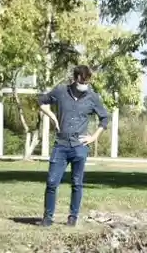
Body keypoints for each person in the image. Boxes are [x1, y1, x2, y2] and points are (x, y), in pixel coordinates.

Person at [37, 65, 110, 227]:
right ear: (75, 78)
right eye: (81, 81)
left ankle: (73, 217)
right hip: (61, 145)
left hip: (79, 146)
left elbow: (105, 118)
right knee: (52, 182)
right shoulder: (61, 92)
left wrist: (93, 137)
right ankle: (47, 218)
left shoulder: (92, 97)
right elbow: (41, 101)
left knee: (77, 183)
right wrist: (53, 118)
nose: (84, 84)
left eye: (87, 82)